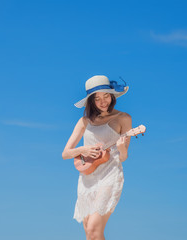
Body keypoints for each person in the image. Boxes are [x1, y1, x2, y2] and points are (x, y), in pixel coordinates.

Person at [62, 75, 132, 240]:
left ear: (112, 95)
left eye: (106, 96)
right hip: (87, 177)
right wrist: (83, 149)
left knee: (94, 229)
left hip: (110, 174)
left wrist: (122, 148)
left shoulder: (123, 118)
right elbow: (66, 153)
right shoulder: (84, 121)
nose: (103, 101)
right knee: (89, 233)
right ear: (91, 101)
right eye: (97, 98)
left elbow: (123, 157)